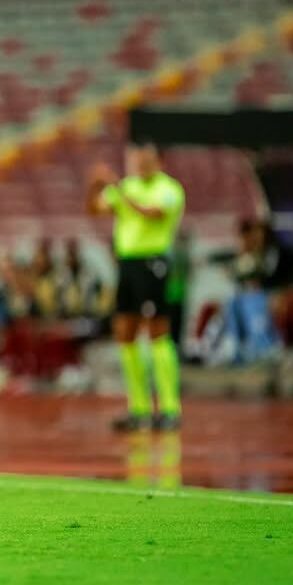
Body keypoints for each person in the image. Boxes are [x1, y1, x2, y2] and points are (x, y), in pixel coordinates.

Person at [88, 143, 185, 432]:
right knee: (125, 332)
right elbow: (95, 210)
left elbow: (151, 213)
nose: (142, 164)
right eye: (138, 159)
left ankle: (169, 407)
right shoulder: (127, 187)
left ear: (159, 160)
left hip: (152, 263)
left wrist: (116, 186)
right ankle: (139, 408)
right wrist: (93, 187)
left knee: (157, 332)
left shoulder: (169, 189)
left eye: (147, 159)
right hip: (127, 265)